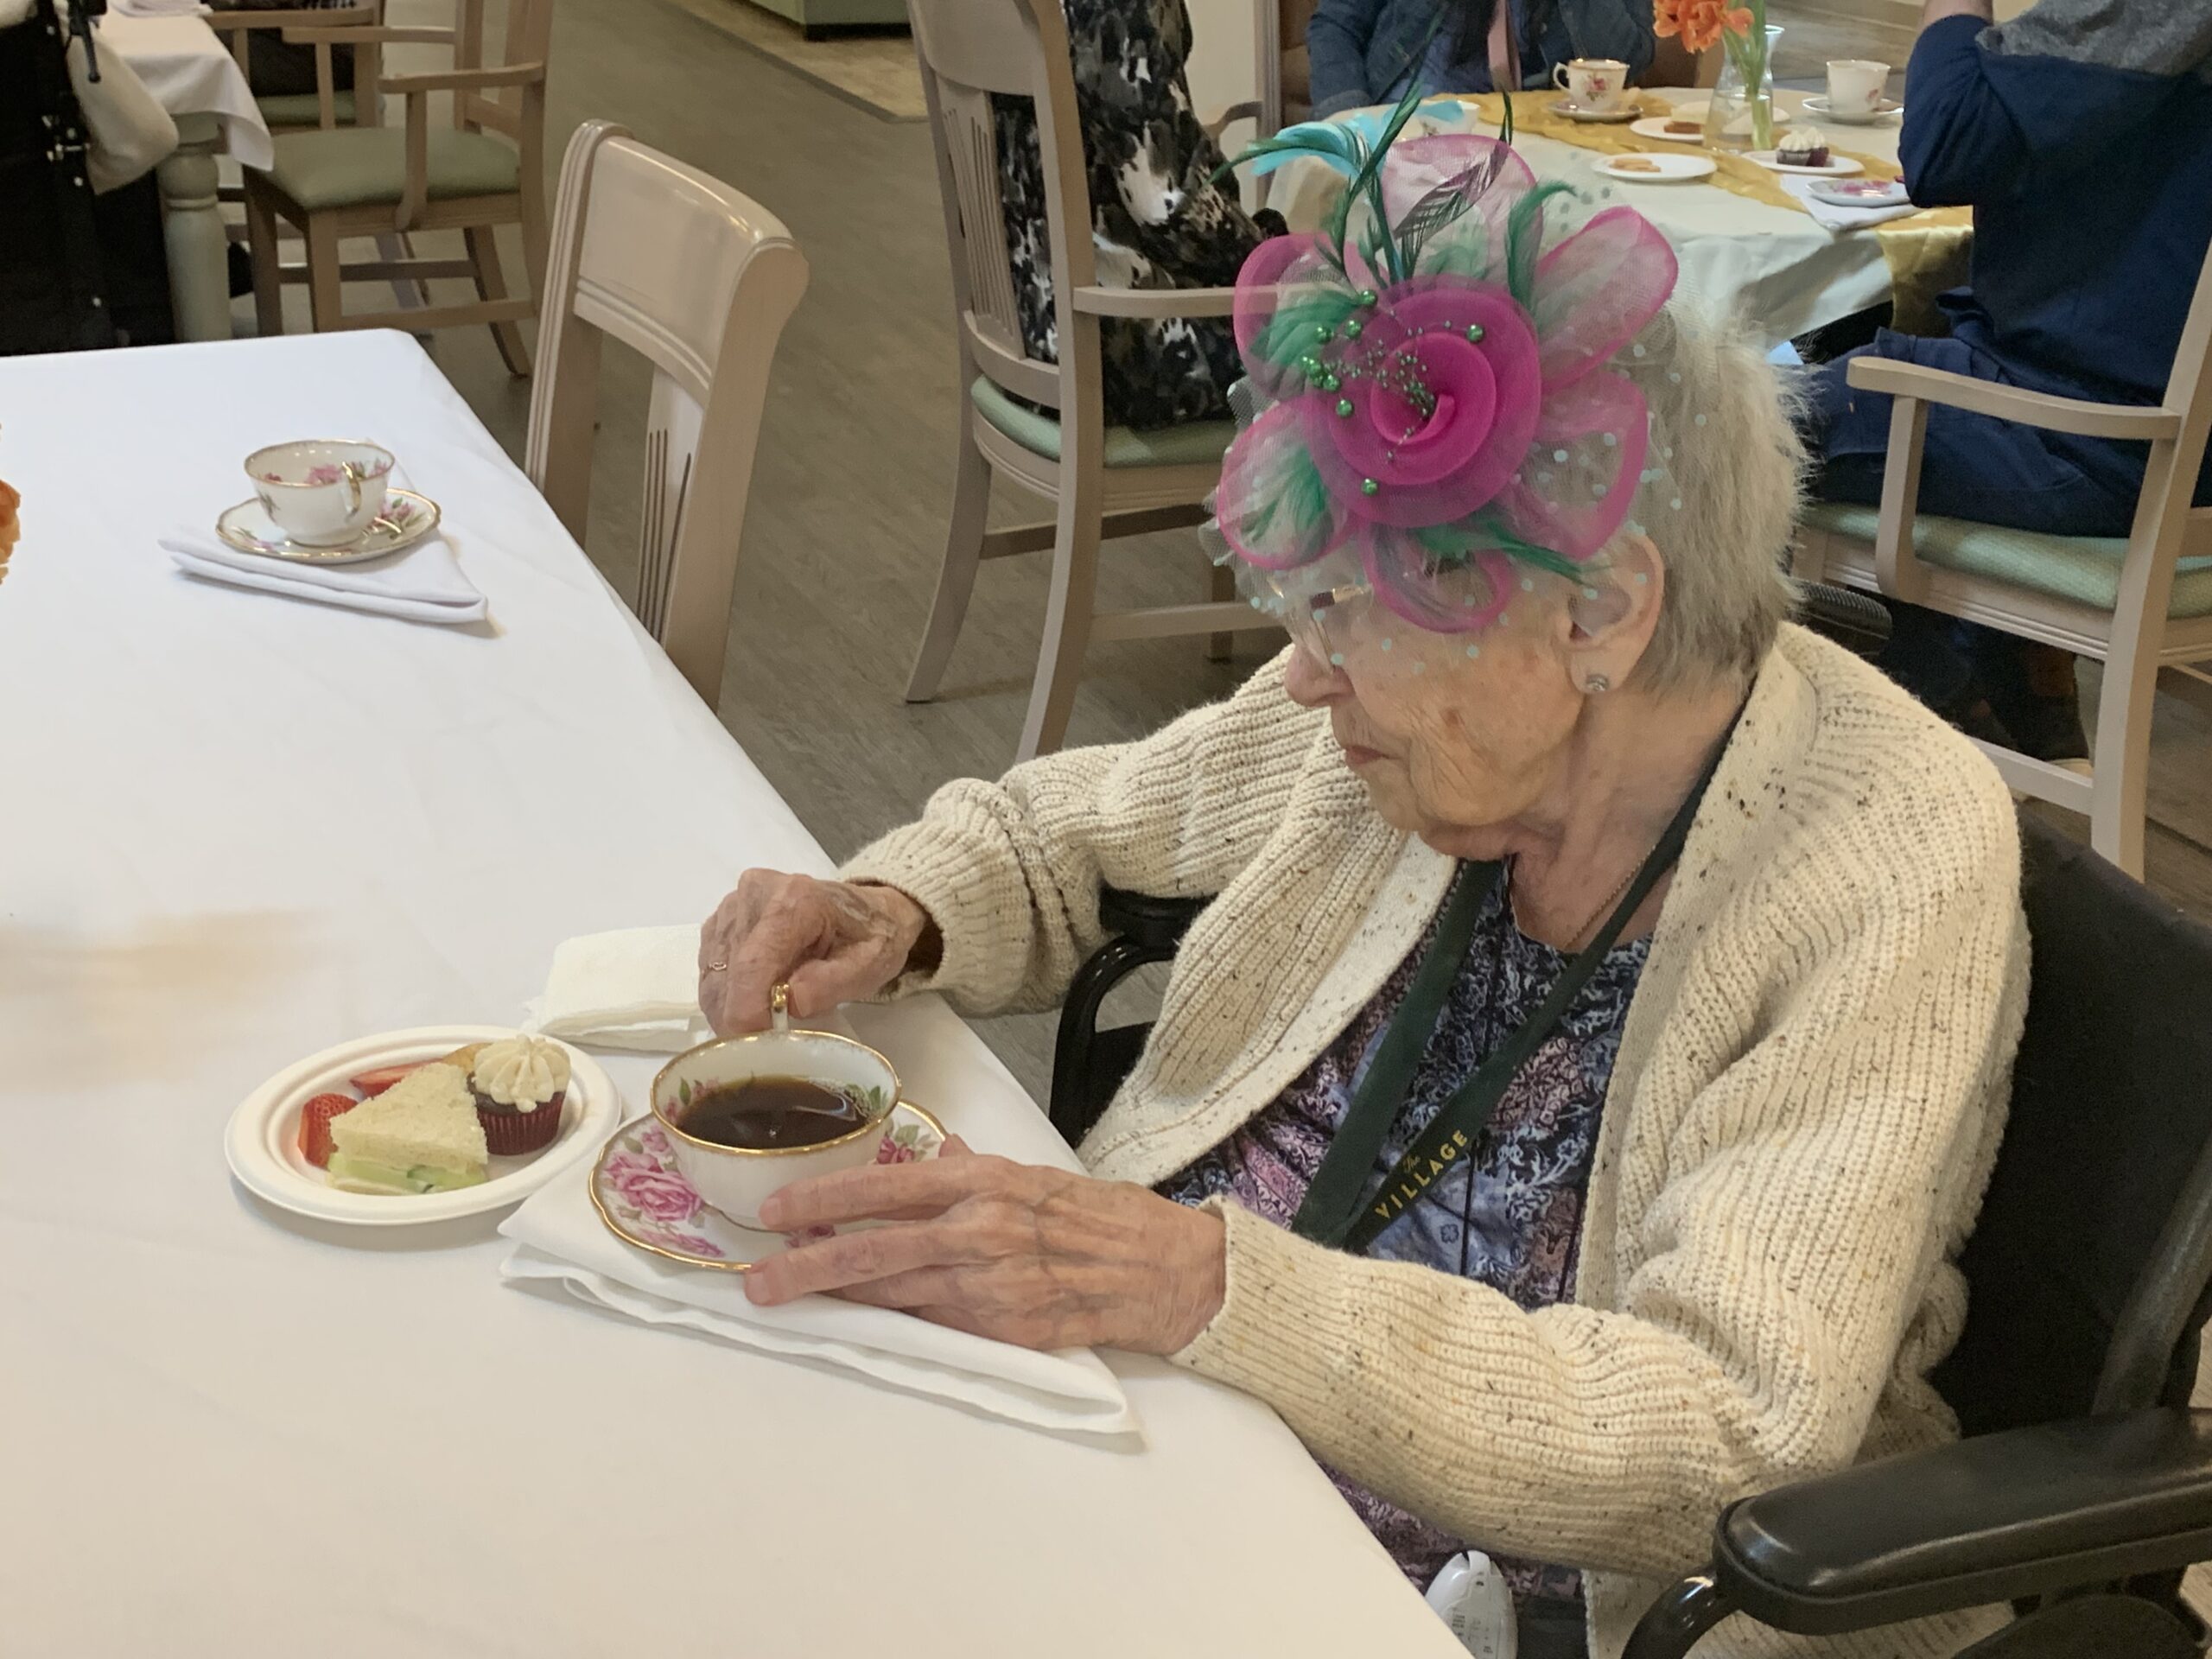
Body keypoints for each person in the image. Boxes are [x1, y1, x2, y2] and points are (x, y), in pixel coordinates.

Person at [699, 134, 2025, 1659]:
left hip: (1501, 1597)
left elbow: (1728, 1430)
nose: (1304, 673)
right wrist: (892, 911)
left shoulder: (1889, 851)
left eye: (1358, 610)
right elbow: (1072, 832)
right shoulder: (1410, 733)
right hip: (1147, 1426)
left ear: (1603, 612)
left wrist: (1210, 1288)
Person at [1802, 0, 2212, 764]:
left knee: (1725, 429)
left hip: (2095, 440)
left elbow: (1942, 144)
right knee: (1859, 355)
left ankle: (1937, 721)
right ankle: (2016, 692)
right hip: (2147, 433)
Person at [992, 0, 1281, 429]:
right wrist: (1275, 265)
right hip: (1113, 349)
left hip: (1024, 328)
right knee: (1347, 344)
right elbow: (1167, 205)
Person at [1307, 0, 1656, 117]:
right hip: (1412, 126)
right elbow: (1336, 25)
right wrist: (1348, 123)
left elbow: (1629, 56)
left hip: (1535, 141)